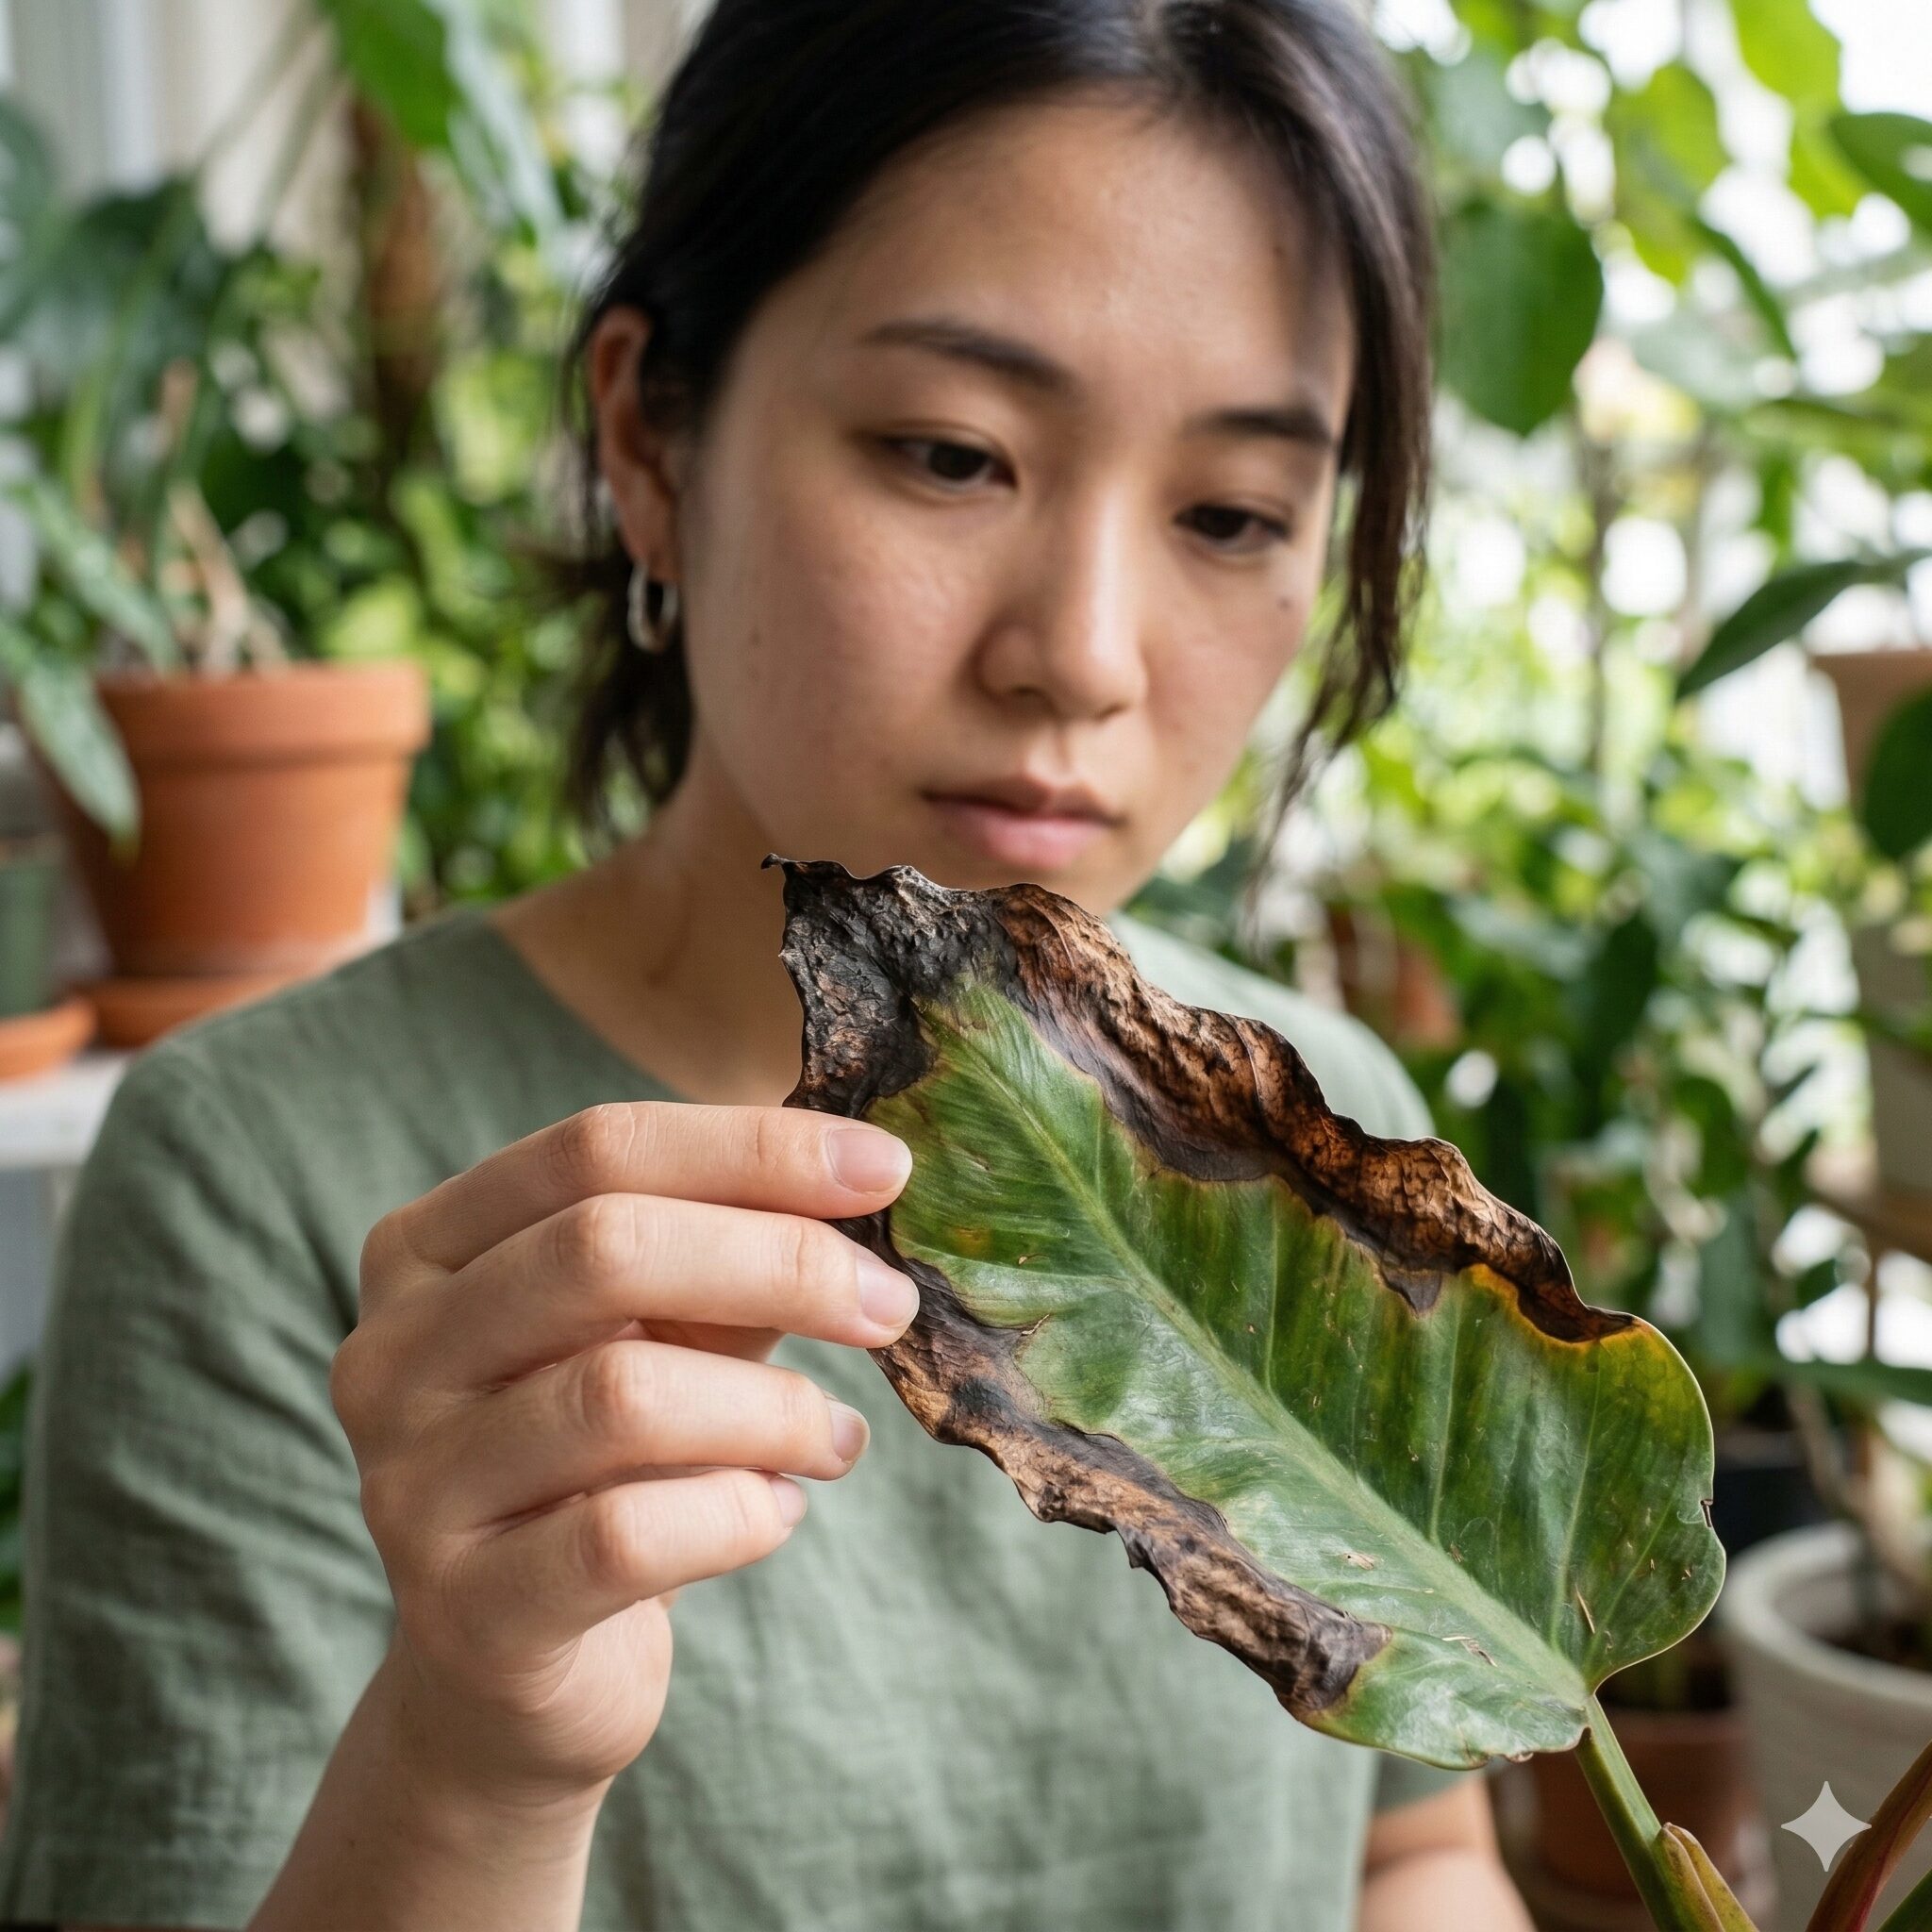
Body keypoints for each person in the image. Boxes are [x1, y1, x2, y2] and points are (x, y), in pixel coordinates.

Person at [0, 2, 1537, 1927]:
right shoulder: (270, 1175)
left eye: (1229, 513)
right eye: (951, 453)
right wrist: (480, 1753)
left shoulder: (1325, 1132)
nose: (1082, 652)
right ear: (653, 437)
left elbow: (1410, 1849)